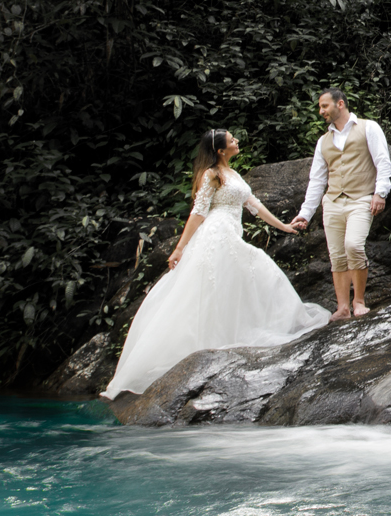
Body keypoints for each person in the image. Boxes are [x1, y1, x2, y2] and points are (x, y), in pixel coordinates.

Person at [101, 129, 325, 399]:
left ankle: (232, 339)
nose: (237, 142)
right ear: (220, 150)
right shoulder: (211, 175)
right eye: (232, 140)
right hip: (217, 234)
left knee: (242, 281)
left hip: (230, 232)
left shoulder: (233, 174)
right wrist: (180, 247)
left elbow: (254, 205)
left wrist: (284, 227)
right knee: (220, 284)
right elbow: (198, 212)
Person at [289, 87, 391, 321]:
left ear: (340, 104)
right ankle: (343, 307)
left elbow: (383, 162)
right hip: (333, 202)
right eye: (319, 107)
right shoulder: (323, 141)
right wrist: (305, 213)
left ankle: (359, 301)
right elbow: (317, 180)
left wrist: (380, 193)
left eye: (324, 106)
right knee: (336, 255)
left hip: (362, 198)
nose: (320, 111)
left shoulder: (368, 128)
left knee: (354, 246)